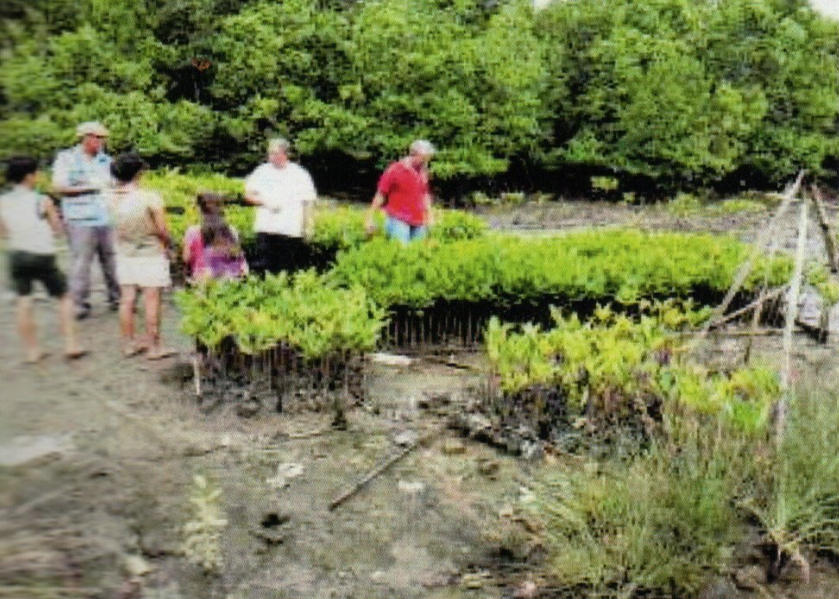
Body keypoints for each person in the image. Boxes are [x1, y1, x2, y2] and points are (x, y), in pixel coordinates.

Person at [0, 157, 87, 363]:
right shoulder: (42, 200)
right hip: (42, 255)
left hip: (17, 255)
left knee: (24, 301)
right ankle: (71, 345)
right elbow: (57, 229)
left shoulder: (3, 202)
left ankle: (32, 350)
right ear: (30, 176)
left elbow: (3, 232)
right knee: (64, 297)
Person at [105, 153, 175, 360]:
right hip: (150, 252)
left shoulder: (109, 199)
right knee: (151, 299)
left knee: (127, 299)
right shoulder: (150, 198)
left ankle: (129, 344)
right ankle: (154, 346)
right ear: (138, 173)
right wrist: (169, 245)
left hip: (125, 252)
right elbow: (162, 229)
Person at [51, 121, 120, 319]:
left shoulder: (107, 161)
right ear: (86, 137)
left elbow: (114, 185)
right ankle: (79, 304)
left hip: (106, 217)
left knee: (112, 261)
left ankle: (118, 299)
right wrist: (90, 187)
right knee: (81, 263)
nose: (101, 141)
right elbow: (59, 187)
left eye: (102, 138)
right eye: (97, 137)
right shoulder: (66, 159)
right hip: (79, 219)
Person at [244, 138, 317, 274]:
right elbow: (248, 195)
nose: (271, 156)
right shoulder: (261, 171)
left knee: (286, 268)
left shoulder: (300, 174)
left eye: (275, 153)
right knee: (263, 266)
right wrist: (264, 202)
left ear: (284, 154)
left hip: (290, 230)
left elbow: (308, 202)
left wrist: (308, 226)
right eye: (270, 153)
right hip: (266, 228)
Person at [365, 140, 435, 244]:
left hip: (418, 221)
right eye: (423, 159)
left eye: (427, 160)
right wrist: (369, 217)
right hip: (398, 219)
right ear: (413, 154)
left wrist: (429, 215)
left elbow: (424, 194)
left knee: (418, 252)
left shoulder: (423, 171)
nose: (425, 163)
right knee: (401, 252)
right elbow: (381, 194)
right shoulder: (395, 169)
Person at [182, 192, 248, 282]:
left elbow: (186, 258)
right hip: (231, 279)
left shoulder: (193, 231)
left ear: (200, 209)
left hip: (203, 279)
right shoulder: (232, 230)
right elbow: (239, 256)